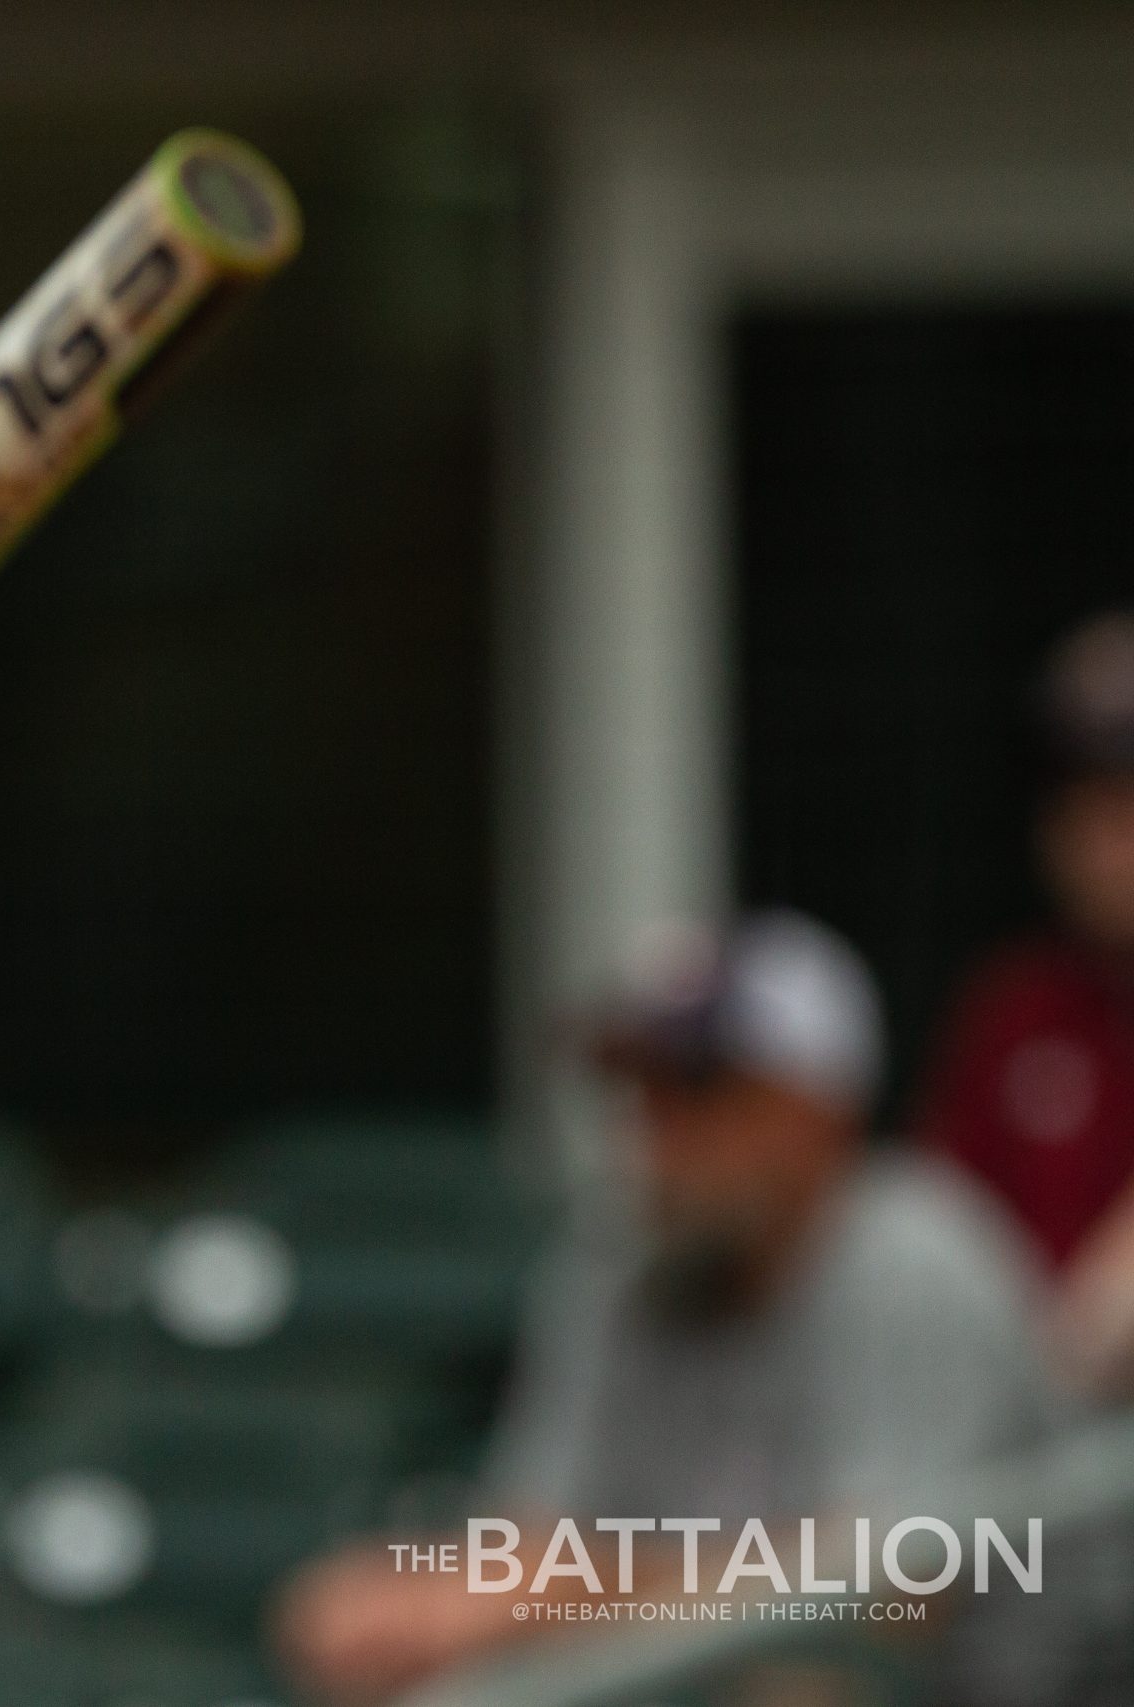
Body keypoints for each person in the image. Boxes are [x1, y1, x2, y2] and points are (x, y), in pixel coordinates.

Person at [277, 912, 1056, 1703]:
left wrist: (552, 1600)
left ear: (819, 1110)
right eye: (639, 1089)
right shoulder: (611, 1267)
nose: (656, 1132)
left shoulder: (914, 1257)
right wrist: (417, 1601)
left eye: (697, 1089)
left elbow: (884, 1600)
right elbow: (525, 1546)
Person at [923, 611, 1134, 1399]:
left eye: (1125, 804)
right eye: (1078, 807)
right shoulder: (1015, 1007)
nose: (1104, 843)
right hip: (1022, 1452)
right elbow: (941, 1251)